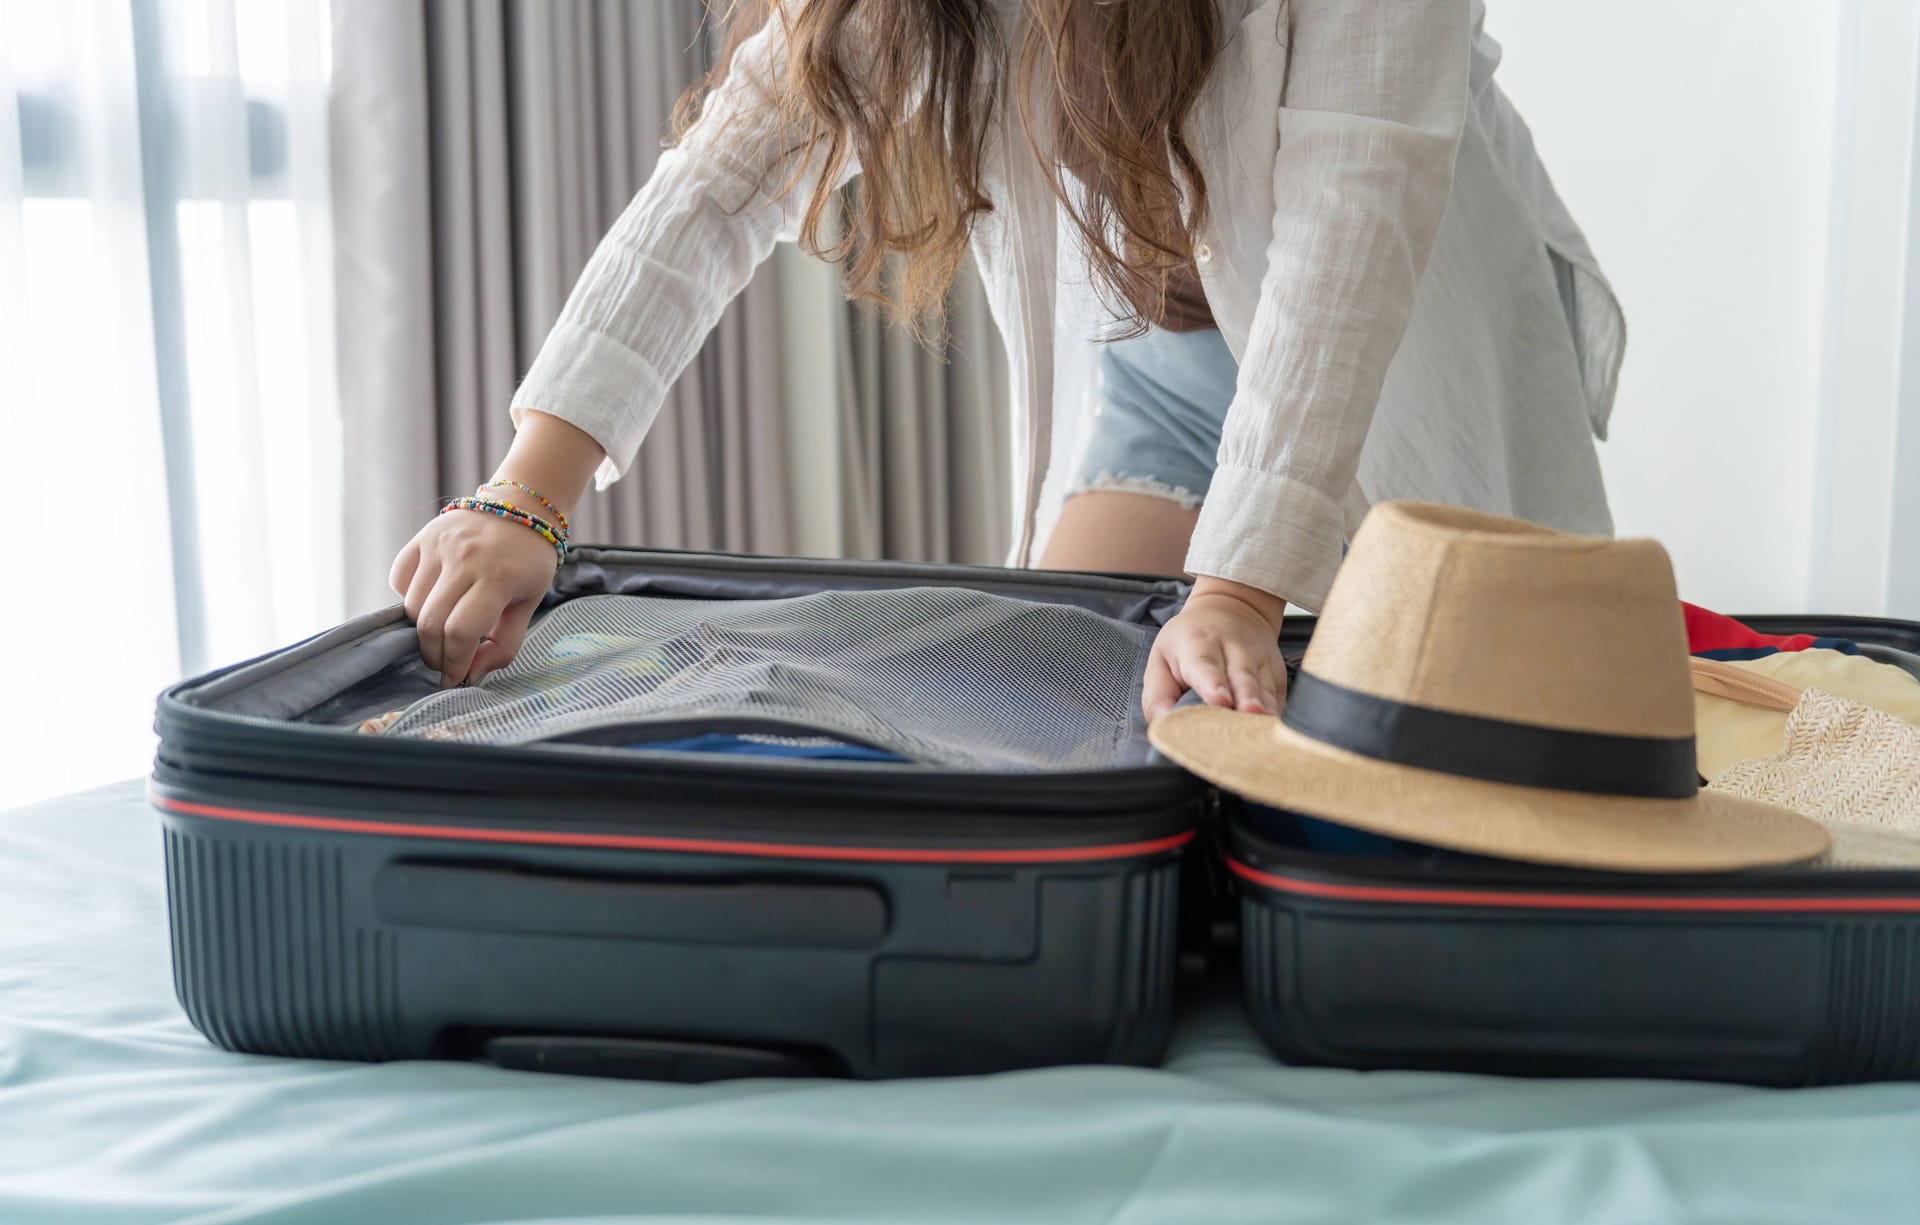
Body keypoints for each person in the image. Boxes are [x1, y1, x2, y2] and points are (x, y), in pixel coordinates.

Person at [390, 0, 1622, 722]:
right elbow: (725, 181)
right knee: (1072, 704)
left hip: (1397, 346)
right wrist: (526, 491)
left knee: (1471, 726)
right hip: (1158, 351)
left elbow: (1353, 228)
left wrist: (1243, 587)